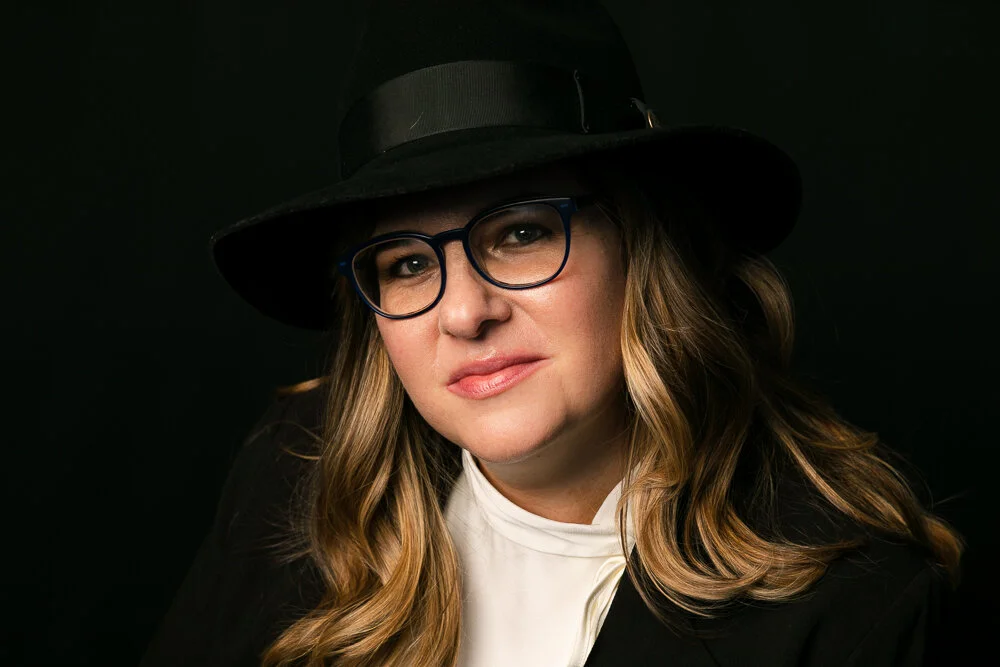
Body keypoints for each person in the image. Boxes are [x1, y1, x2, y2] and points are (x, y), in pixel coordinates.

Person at [141, 1, 963, 666]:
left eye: (522, 233)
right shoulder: (294, 478)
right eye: (406, 264)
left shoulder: (851, 609)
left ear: (644, 242)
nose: (465, 313)